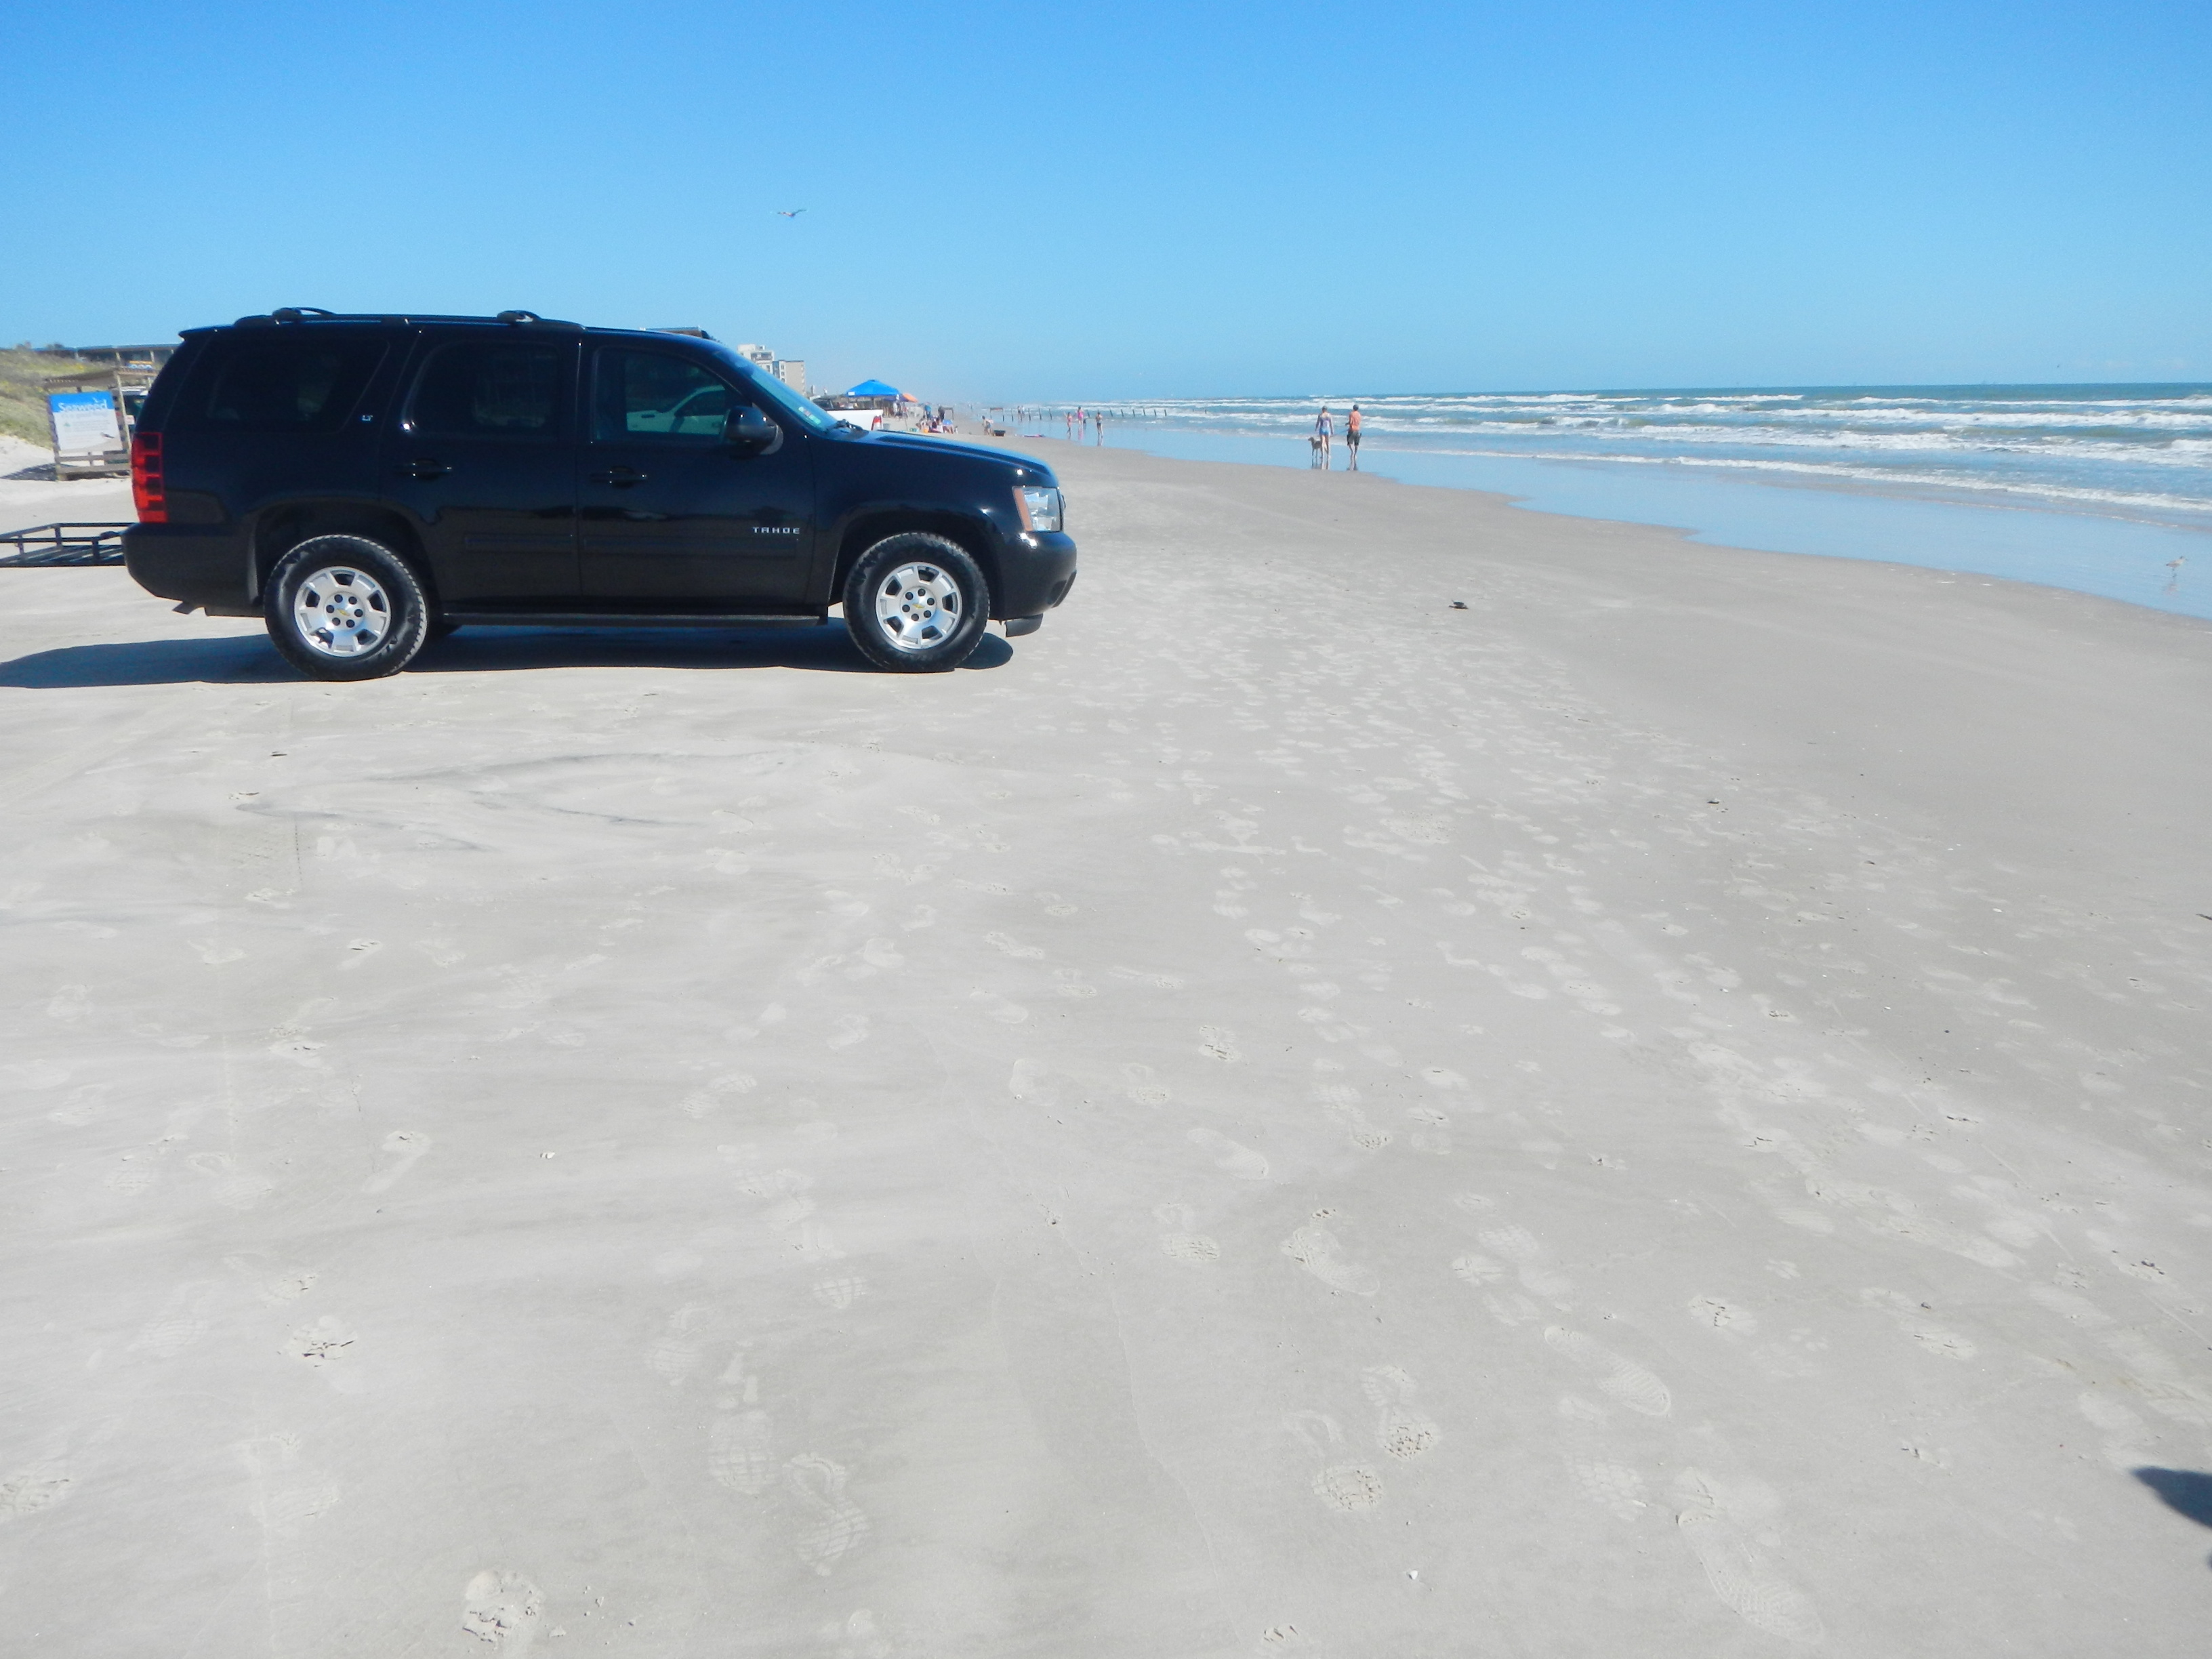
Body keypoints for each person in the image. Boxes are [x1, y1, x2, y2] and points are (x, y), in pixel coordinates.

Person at [1315, 405, 1333, 470]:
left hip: (1322, 429)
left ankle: (1323, 455)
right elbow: (1331, 423)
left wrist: (1316, 428)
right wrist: (1332, 430)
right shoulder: (1329, 415)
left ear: (1323, 410)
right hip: (1328, 429)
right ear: (1327, 410)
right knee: (1328, 442)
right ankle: (1329, 455)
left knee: (1322, 442)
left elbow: (1318, 423)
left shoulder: (1320, 415)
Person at [1346, 403, 1362, 470]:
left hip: (1352, 430)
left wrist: (1347, 424)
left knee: (1349, 443)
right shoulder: (1359, 415)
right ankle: (1355, 454)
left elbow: (1351, 422)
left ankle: (1352, 452)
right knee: (1357, 444)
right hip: (1357, 430)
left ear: (1353, 408)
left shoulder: (1351, 414)